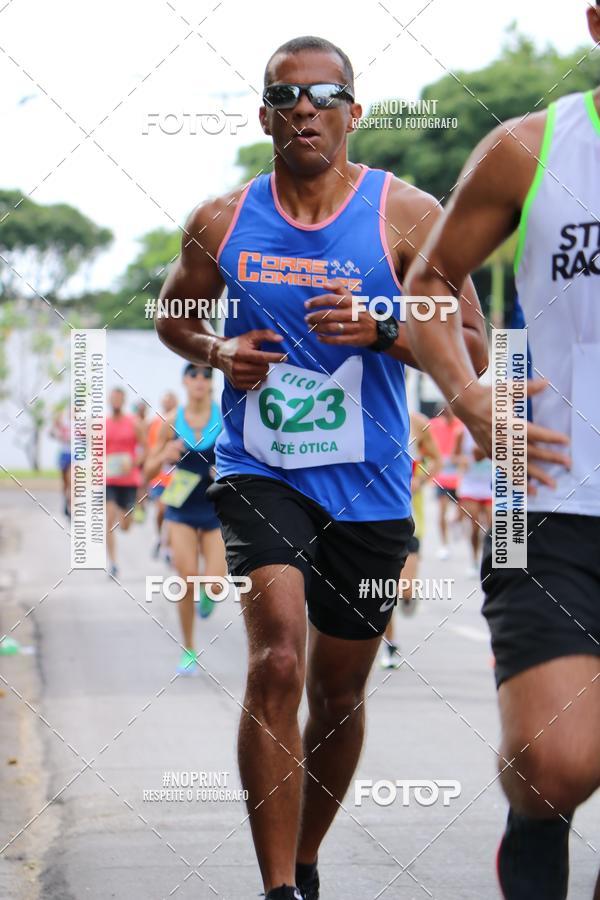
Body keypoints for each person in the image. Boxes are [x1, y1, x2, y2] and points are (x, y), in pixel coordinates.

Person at [156, 35, 487, 900]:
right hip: (261, 470)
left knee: (338, 698)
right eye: (287, 96)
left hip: (371, 488)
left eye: (325, 94)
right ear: (265, 115)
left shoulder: (407, 216)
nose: (306, 109)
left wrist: (382, 327)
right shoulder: (223, 221)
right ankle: (276, 890)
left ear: (354, 112)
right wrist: (218, 346)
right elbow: (173, 317)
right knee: (276, 663)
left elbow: (478, 348)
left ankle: (304, 860)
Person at [405, 5, 599, 897]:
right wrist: (468, 392)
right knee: (552, 765)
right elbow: (433, 281)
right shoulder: (532, 146)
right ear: (596, 22)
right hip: (541, 497)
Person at [144, 366, 226, 676]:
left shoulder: (226, 415)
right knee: (187, 578)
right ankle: (189, 649)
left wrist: (227, 472)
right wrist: (165, 452)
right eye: (193, 375)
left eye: (206, 375)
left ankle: (210, 596)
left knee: (215, 585)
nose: (200, 380)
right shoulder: (170, 420)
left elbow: (246, 457)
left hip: (217, 509)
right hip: (181, 508)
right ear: (184, 381)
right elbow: (148, 467)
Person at [380, 409, 442, 669]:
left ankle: (409, 596)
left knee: (403, 589)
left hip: (410, 520)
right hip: (376, 518)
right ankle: (390, 646)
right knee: (384, 589)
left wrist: (419, 481)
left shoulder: (418, 423)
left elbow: (436, 460)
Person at [106, 388, 145, 578]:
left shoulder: (134, 423)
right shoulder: (102, 425)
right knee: (108, 522)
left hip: (129, 480)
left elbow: (145, 449)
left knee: (126, 525)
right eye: (112, 398)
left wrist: (134, 462)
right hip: (109, 480)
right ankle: (113, 563)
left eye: (118, 398)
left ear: (123, 400)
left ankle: (127, 518)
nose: (115, 401)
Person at [455, 428, 492, 578]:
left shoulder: (494, 429)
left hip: (490, 487)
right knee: (475, 525)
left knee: (495, 524)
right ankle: (474, 560)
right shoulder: (462, 433)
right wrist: (461, 460)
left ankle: (493, 561)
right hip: (470, 487)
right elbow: (454, 456)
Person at [428, 405, 464, 559]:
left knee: (463, 513)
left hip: (459, 477)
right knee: (441, 511)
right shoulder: (434, 425)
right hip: (442, 477)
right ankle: (444, 545)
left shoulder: (460, 425)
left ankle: (454, 521)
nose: (446, 416)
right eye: (444, 413)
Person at [146, 391, 178, 559]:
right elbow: (151, 450)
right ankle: (160, 537)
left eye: (171, 401)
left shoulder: (183, 423)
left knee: (172, 514)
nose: (168, 404)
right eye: (165, 401)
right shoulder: (156, 424)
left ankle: (168, 547)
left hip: (178, 478)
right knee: (160, 510)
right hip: (160, 477)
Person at [50, 407, 71, 518]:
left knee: (72, 482)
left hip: (76, 456)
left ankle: (71, 504)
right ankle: (66, 502)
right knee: (65, 483)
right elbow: (52, 433)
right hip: (64, 454)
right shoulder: (64, 422)